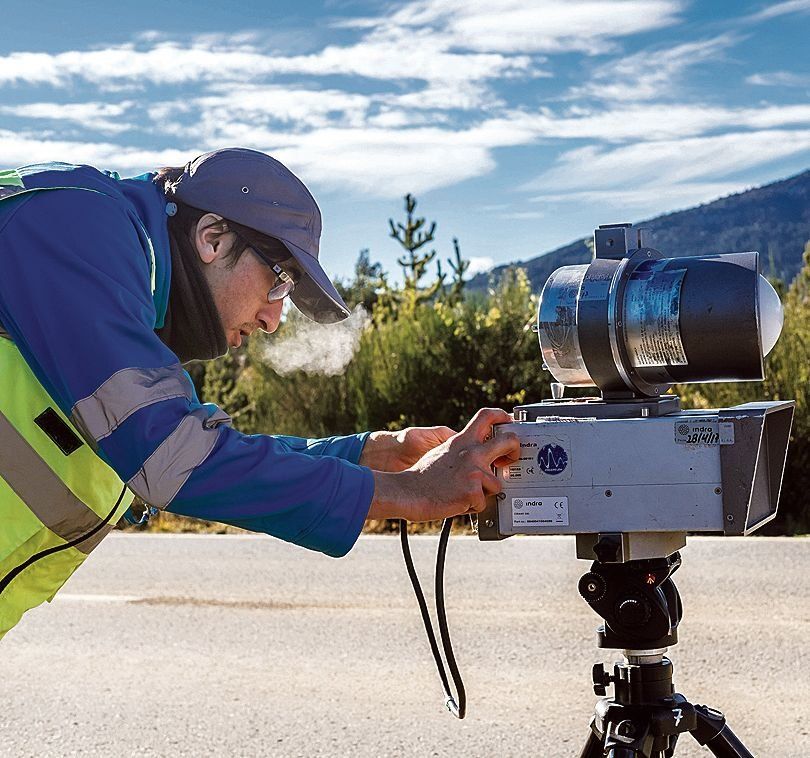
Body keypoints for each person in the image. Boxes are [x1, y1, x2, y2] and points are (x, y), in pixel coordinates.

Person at [0, 148, 519, 639]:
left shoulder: (129, 294)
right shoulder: (73, 228)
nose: (274, 319)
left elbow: (189, 448)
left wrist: (367, 455)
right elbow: (174, 457)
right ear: (213, 238)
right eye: (279, 283)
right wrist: (413, 492)